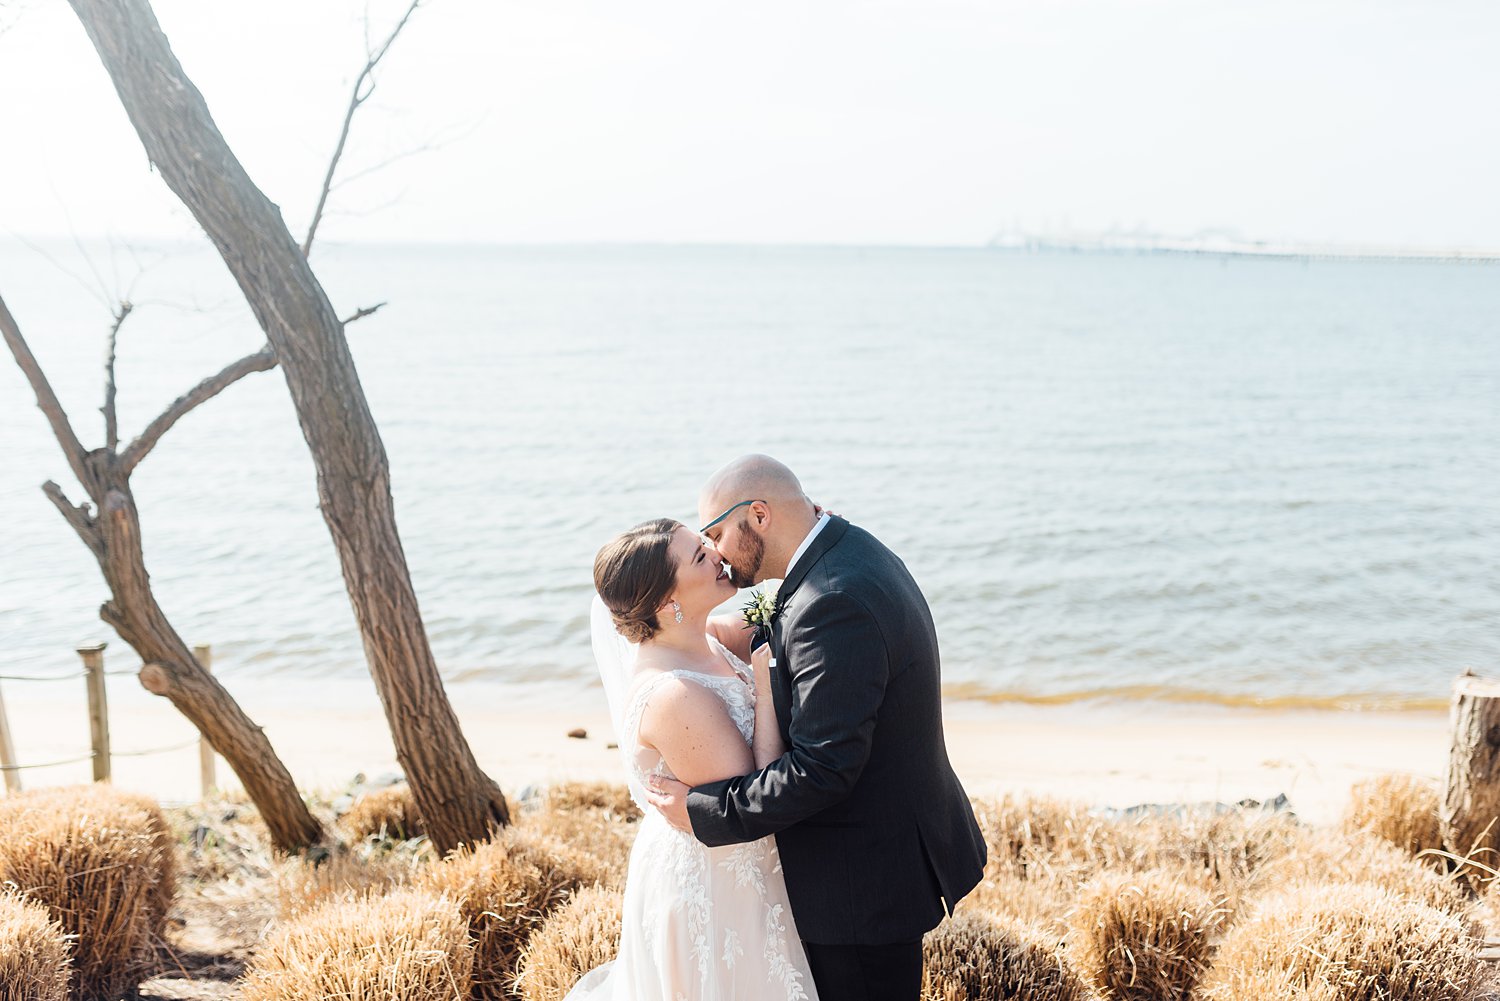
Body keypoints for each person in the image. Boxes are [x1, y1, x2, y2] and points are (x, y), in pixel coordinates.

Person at [644, 455, 987, 1001]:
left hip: (860, 884)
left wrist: (703, 811)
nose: (719, 556)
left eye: (716, 534)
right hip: (888, 851)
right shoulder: (846, 551)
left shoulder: (830, 602)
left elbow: (823, 770)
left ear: (758, 515)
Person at [574, 516, 818, 999]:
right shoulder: (673, 696)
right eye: (700, 556)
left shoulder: (702, 637)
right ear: (669, 603)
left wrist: (804, 536)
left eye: (707, 543)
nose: (717, 553)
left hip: (741, 870)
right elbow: (755, 793)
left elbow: (787, 616)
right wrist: (765, 690)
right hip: (716, 883)